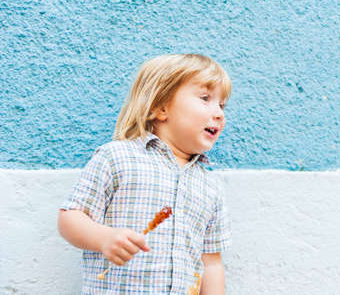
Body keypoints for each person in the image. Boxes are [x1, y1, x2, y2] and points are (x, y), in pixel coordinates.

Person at [57, 54, 232, 294]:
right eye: (205, 99)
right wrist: (104, 238)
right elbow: (70, 218)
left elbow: (211, 262)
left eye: (222, 105)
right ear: (161, 107)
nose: (219, 113)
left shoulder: (211, 186)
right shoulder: (117, 157)